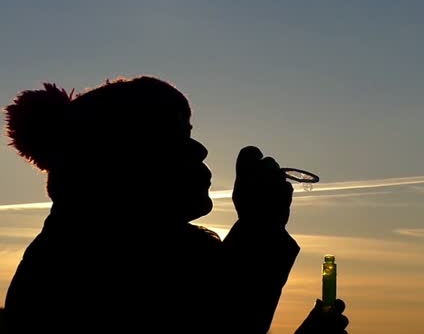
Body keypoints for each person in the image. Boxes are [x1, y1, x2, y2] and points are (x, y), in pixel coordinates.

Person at [3, 76, 348, 333]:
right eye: (176, 136)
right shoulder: (88, 263)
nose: (200, 150)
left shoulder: (92, 245)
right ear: (122, 159)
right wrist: (261, 227)